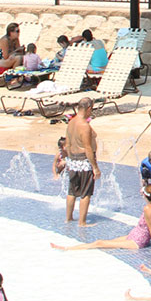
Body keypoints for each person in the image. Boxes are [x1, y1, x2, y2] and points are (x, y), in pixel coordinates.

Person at [52, 184, 151, 251]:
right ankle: (71, 248)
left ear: (145, 195)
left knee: (100, 243)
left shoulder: (148, 209)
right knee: (106, 242)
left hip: (138, 240)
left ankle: (67, 249)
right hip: (136, 235)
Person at [64, 97, 100, 226]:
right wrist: (95, 167)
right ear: (89, 108)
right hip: (84, 162)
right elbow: (88, 148)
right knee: (86, 193)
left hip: (73, 159)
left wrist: (69, 160)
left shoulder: (71, 122)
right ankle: (82, 222)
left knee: (72, 192)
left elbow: (67, 144)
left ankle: (68, 218)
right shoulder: (84, 126)